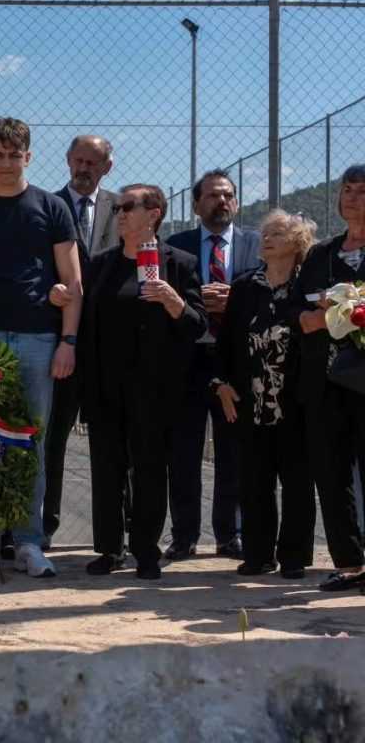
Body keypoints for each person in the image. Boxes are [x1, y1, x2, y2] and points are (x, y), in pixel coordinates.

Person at [0, 117, 82, 579]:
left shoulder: (52, 208)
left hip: (38, 341)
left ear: (29, 156)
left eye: (14, 155)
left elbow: (73, 282)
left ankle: (28, 542)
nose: (6, 163)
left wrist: (67, 342)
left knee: (31, 445)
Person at [79, 184, 206, 579]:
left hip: (155, 389)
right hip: (107, 386)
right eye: (117, 207)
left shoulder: (179, 263)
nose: (119, 213)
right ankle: (110, 548)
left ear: (154, 214)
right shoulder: (101, 264)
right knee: (107, 469)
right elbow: (88, 329)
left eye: (127, 207)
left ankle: (146, 549)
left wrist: (173, 301)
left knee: (149, 470)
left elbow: (197, 326)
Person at [213, 210, 315, 579]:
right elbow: (226, 342)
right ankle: (258, 555)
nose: (266, 238)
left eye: (276, 233)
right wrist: (221, 384)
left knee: (297, 484)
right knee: (254, 483)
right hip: (250, 402)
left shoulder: (308, 288)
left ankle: (293, 557)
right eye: (265, 233)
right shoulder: (244, 287)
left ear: (297, 242)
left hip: (297, 403)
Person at [165, 170, 260, 560]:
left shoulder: (257, 244)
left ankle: (229, 534)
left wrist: (233, 298)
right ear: (196, 204)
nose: (222, 201)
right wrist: (197, 300)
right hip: (189, 359)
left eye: (228, 195)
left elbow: (266, 292)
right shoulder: (176, 245)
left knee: (233, 452)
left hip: (236, 361)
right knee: (183, 452)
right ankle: (184, 535)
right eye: (213, 196)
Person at [43, 135, 120, 545]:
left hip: (109, 347)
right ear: (67, 161)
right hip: (61, 344)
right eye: (78, 160)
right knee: (52, 439)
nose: (84, 168)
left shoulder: (123, 208)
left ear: (107, 167)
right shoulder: (46, 206)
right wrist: (50, 292)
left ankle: (118, 532)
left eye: (93, 162)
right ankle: (45, 527)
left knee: (114, 444)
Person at [295, 165, 365, 592]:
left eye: (362, 191)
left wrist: (339, 316)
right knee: (332, 473)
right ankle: (351, 563)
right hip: (323, 381)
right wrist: (314, 317)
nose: (352, 198)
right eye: (347, 190)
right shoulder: (321, 254)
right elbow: (298, 309)